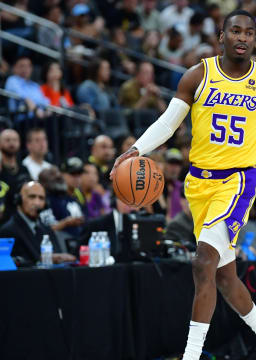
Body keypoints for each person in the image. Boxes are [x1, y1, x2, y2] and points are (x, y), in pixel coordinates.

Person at [111, 10, 256, 360]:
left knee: (202, 262)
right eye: (235, 31)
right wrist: (136, 149)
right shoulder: (199, 75)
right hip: (199, 184)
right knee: (224, 279)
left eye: (249, 33)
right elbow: (168, 123)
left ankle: (191, 356)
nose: (242, 38)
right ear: (220, 36)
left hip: (238, 182)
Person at [0, 181, 76, 265]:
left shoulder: (46, 229)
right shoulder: (8, 231)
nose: (37, 203)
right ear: (19, 200)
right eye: (32, 197)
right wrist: (42, 260)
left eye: (41, 198)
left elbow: (57, 255)